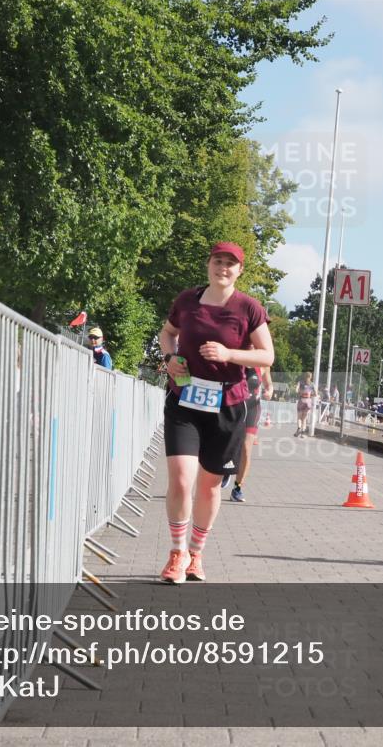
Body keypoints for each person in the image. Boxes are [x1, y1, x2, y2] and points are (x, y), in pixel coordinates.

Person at [157, 242, 273, 584]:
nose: (223, 268)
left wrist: (229, 354)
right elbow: (168, 333)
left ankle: (196, 554)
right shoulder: (187, 301)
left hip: (228, 406)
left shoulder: (249, 308)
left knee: (209, 486)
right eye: (218, 261)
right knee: (180, 478)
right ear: (208, 264)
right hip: (185, 401)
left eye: (230, 264)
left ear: (239, 271)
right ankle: (176, 553)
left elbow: (267, 356)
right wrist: (169, 358)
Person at [230, 361, 273, 503]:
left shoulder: (263, 364)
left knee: (246, 448)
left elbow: (269, 384)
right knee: (228, 443)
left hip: (253, 408)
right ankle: (224, 467)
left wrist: (269, 391)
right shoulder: (234, 357)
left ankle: (237, 488)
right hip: (232, 407)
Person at [295, 371, 315, 437]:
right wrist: (310, 395)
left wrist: (300, 392)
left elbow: (296, 390)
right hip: (308, 402)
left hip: (301, 400)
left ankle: (299, 428)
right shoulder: (312, 384)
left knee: (299, 417)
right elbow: (316, 393)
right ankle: (303, 433)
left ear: (305, 376)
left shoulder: (300, 382)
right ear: (311, 377)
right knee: (304, 418)